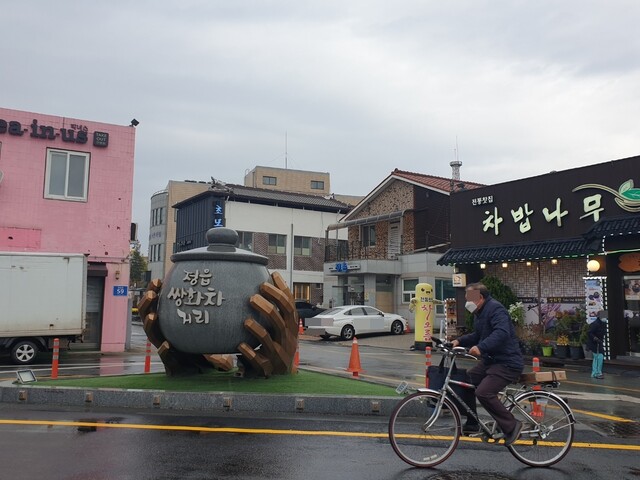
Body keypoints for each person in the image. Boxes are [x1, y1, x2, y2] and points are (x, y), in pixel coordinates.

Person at [451, 282, 524, 446]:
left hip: (507, 362)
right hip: (492, 361)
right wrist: (458, 340)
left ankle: (512, 425)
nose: (466, 302)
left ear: (480, 297)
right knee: (466, 382)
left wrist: (481, 347)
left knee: (484, 392)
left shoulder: (496, 309)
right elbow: (478, 334)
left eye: (469, 298)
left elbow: (502, 333)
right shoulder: (480, 313)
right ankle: (472, 422)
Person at [587, 310, 607, 379]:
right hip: (594, 343)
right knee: (599, 357)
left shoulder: (603, 323)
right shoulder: (595, 324)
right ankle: (597, 373)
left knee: (597, 358)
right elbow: (590, 333)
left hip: (599, 342)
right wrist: (595, 338)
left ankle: (595, 373)